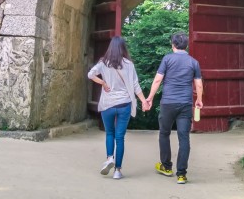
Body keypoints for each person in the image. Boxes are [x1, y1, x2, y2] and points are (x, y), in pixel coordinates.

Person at [143, 32, 203, 185]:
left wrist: (149, 98)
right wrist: (199, 100)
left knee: (164, 133)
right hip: (185, 104)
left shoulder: (167, 59)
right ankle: (181, 174)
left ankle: (166, 166)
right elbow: (199, 84)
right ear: (186, 45)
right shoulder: (193, 62)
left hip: (168, 103)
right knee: (184, 138)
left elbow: (157, 80)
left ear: (173, 45)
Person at [87, 36, 149, 180]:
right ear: (123, 48)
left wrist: (102, 82)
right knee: (120, 137)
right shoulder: (128, 64)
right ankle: (118, 171)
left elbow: (90, 74)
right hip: (124, 104)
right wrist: (144, 101)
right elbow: (135, 86)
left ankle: (109, 158)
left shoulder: (103, 62)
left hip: (108, 104)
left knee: (110, 133)